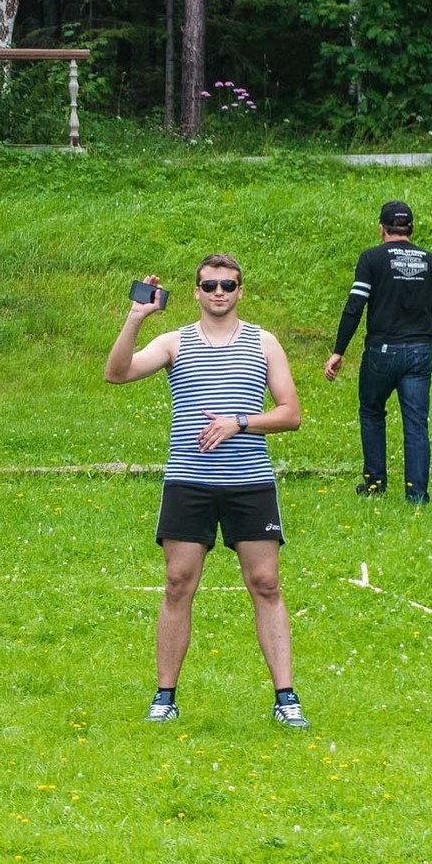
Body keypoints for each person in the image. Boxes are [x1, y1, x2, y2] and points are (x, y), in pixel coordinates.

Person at [104, 255, 307, 729]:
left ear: (240, 291)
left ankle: (286, 697)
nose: (219, 292)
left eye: (228, 285)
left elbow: (290, 413)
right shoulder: (175, 342)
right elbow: (117, 372)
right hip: (188, 482)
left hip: (249, 482)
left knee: (266, 584)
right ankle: (164, 696)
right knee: (178, 584)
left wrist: (240, 423)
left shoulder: (264, 342)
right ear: (196, 291)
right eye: (210, 285)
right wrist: (136, 319)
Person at [323, 199, 432, 506]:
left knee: (371, 413)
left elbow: (355, 306)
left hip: (381, 351)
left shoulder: (371, 259)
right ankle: (417, 495)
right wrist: (419, 311)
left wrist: (338, 351)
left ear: (381, 229)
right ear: (411, 228)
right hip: (420, 351)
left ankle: (374, 483)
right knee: (416, 423)